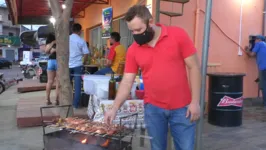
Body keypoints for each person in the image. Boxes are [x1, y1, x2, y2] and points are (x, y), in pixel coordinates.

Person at [104, 5, 201, 150]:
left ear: (150, 22)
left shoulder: (178, 35)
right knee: (157, 147)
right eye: (132, 31)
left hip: (183, 108)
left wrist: (195, 102)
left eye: (139, 30)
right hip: (153, 109)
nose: (136, 34)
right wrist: (114, 108)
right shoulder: (133, 50)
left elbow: (194, 67)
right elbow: (127, 81)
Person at [69, 23, 90, 108]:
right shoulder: (81, 41)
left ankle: (66, 103)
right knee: (77, 86)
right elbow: (86, 54)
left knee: (67, 85)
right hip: (78, 65)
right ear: (80, 31)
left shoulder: (66, 39)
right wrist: (83, 62)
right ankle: (76, 105)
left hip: (67, 65)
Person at [245, 35, 266, 107]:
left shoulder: (258, 44)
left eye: (256, 39)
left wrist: (247, 50)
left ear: (259, 39)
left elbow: (251, 54)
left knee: (263, 85)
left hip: (263, 68)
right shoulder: (264, 45)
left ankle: (265, 103)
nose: (255, 40)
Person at [44, 33, 59, 105]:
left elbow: (46, 51)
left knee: (49, 81)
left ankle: (47, 99)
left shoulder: (49, 43)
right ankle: (57, 100)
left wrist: (52, 45)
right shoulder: (59, 41)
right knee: (58, 82)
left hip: (50, 62)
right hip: (59, 61)